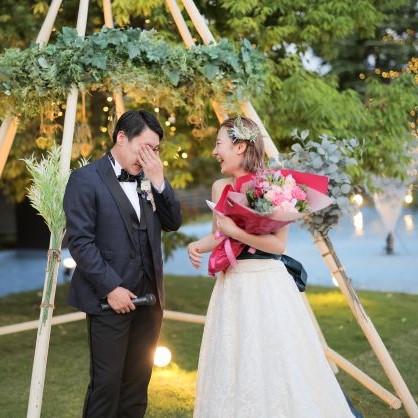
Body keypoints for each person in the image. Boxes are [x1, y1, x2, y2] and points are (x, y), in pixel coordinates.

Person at [187, 117, 357, 417]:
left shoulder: (276, 185)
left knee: (276, 357)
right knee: (234, 356)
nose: (214, 151)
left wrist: (236, 232)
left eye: (218, 144)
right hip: (232, 284)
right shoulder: (219, 187)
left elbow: (277, 246)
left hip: (267, 284)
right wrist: (198, 245)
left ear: (240, 147)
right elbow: (218, 234)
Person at [63, 109, 182, 418]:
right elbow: (81, 243)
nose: (149, 157)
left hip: (150, 300)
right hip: (109, 301)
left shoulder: (149, 179)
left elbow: (173, 221)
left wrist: (159, 181)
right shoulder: (85, 179)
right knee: (106, 386)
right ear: (121, 137)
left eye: (155, 150)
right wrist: (111, 288)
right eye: (145, 147)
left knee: (137, 386)